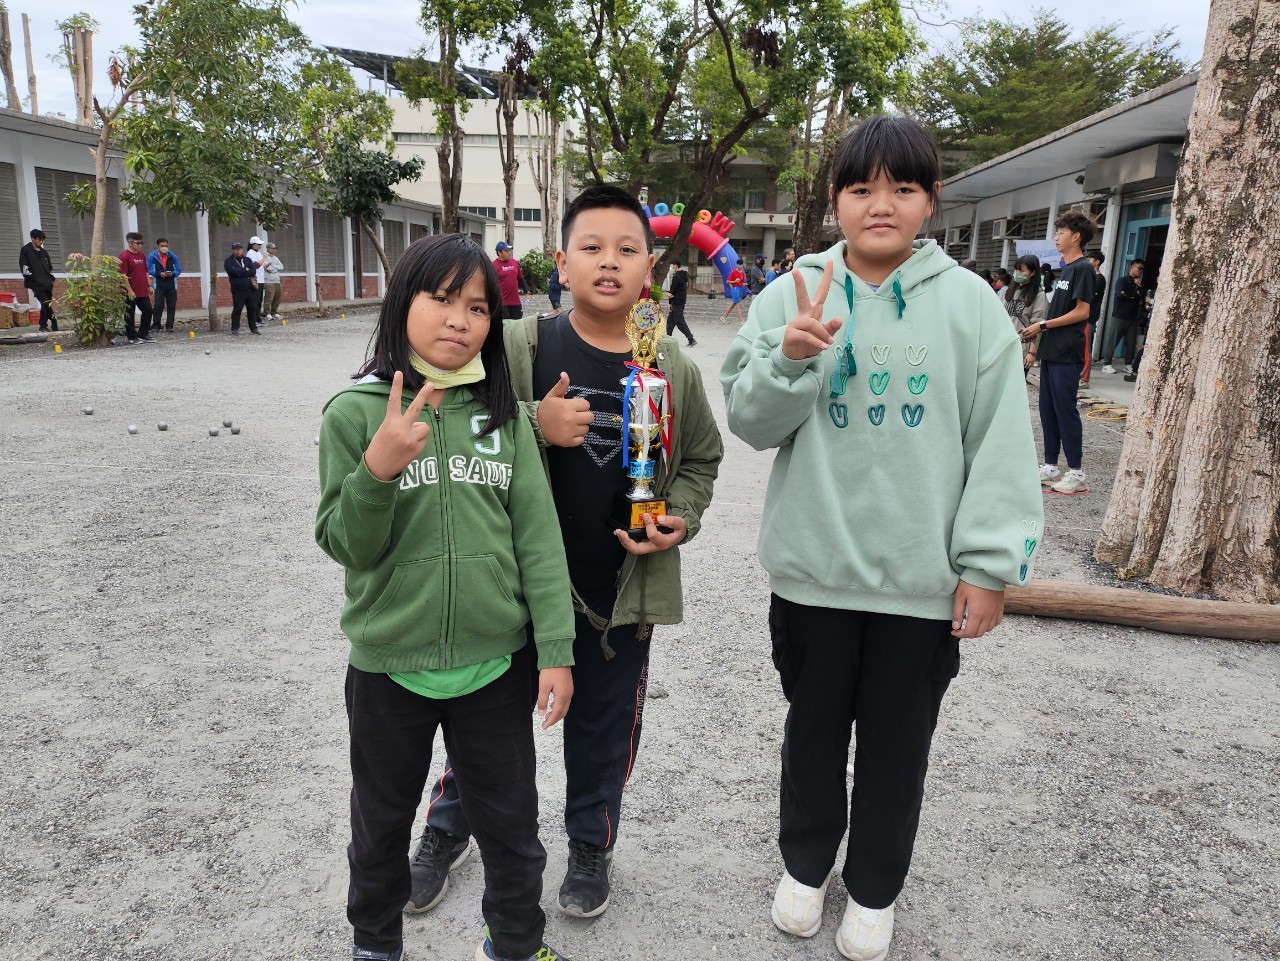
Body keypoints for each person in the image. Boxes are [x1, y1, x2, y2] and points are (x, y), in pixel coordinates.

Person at [720, 114, 1043, 961]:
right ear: (836, 199)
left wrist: (989, 566)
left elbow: (1000, 443)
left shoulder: (972, 306)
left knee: (899, 748)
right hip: (814, 572)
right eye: (861, 187)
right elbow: (749, 421)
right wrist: (790, 358)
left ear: (931, 201)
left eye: (903, 187)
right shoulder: (792, 292)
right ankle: (804, 866)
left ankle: (874, 888)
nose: (881, 204)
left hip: (919, 585)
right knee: (812, 732)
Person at [409, 185, 722, 923]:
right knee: (484, 723)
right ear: (562, 260)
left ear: (650, 267)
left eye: (627, 249)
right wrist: (531, 419)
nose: (609, 262)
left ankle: (590, 843)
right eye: (592, 247)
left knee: (604, 731)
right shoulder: (518, 346)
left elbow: (701, 460)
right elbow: (454, 422)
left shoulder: (670, 366)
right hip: (513, 590)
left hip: (619, 593)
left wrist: (679, 517)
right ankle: (448, 828)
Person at [316, 233, 576, 961]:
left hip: (494, 668)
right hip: (388, 667)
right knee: (380, 825)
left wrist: (555, 650)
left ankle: (515, 943)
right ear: (402, 302)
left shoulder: (504, 417)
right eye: (441, 298)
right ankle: (375, 943)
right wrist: (377, 471)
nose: (460, 319)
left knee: (511, 826)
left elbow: (538, 539)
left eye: (479, 307)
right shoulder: (353, 414)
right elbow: (345, 542)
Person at [1021, 211, 1095, 494]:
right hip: (1051, 351)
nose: (1056, 237)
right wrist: (1039, 338)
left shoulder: (1083, 268)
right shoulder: (1066, 269)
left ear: (1075, 236)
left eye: (1061, 232)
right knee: (1047, 410)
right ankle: (1051, 466)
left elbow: (1082, 312)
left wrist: (1043, 324)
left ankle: (1076, 473)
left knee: (1065, 411)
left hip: (1067, 352)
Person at [1002, 254, 1049, 378]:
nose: (1017, 273)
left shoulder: (1039, 296)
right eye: (1016, 270)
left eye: (1022, 271)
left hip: (1021, 349)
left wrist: (1032, 353)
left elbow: (1038, 326)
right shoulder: (1007, 292)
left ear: (1032, 272)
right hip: (1002, 347)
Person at [1105, 259, 1146, 374]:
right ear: (1132, 267)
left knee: (1131, 342)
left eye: (1142, 269)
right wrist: (1135, 295)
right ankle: (1107, 363)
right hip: (1120, 315)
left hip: (1133, 317)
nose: (1140, 271)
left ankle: (1128, 364)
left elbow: (1143, 296)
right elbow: (1121, 294)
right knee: (1113, 340)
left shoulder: (1139, 284)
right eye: (1139, 268)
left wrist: (1138, 289)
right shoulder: (1122, 281)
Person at [118, 232, 154, 344]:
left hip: (142, 290)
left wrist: (149, 285)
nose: (140, 245)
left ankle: (143, 333)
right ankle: (132, 337)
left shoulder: (141, 256)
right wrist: (129, 290)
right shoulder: (124, 256)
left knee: (148, 311)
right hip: (130, 291)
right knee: (130, 314)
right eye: (138, 243)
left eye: (141, 242)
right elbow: (123, 275)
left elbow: (145, 272)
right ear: (130, 243)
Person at [19, 228, 57, 332]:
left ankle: (43, 326)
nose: (41, 242)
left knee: (47, 304)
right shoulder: (26, 250)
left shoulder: (44, 252)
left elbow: (49, 266)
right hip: (35, 283)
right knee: (44, 303)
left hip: (47, 283)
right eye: (39, 240)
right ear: (33, 238)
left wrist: (49, 278)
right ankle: (54, 321)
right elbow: (24, 267)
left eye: (42, 240)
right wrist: (32, 278)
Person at [224, 241, 261, 335]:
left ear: (242, 250)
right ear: (232, 250)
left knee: (252, 308)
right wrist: (244, 269)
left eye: (239, 249)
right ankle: (235, 328)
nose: (238, 251)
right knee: (238, 308)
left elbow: (253, 271)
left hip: (250, 288)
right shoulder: (228, 261)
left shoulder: (247, 260)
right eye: (236, 249)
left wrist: (241, 273)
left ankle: (253, 328)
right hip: (238, 289)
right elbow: (232, 272)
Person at [146, 238, 182, 332]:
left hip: (171, 285)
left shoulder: (173, 256)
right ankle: (156, 325)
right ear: (158, 246)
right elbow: (147, 269)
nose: (164, 248)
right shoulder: (152, 256)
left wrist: (172, 274)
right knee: (158, 305)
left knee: (171, 306)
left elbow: (178, 270)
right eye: (162, 246)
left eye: (166, 245)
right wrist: (158, 274)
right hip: (159, 284)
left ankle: (169, 326)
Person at [1082, 251, 1106, 385]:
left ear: (1097, 262)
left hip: (1089, 317)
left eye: (1090, 259)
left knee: (1086, 348)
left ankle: (1084, 378)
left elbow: (1090, 297)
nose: (1088, 262)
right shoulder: (1090, 277)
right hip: (1082, 316)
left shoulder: (1099, 279)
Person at [493, 241, 529, 319]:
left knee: (517, 324)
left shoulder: (514, 262)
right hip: (501, 304)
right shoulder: (493, 266)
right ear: (499, 253)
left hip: (515, 303)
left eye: (509, 250)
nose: (509, 253)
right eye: (506, 251)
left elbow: (521, 278)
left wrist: (527, 292)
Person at [665, 258, 695, 346]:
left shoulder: (676, 277)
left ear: (675, 265)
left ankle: (691, 339)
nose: (671, 267)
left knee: (679, 321)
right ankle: (668, 339)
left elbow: (672, 292)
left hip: (676, 302)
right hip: (680, 301)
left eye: (672, 265)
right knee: (670, 322)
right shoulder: (683, 275)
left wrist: (670, 303)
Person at [261, 242, 284, 321]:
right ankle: (267, 313)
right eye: (273, 248)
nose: (274, 250)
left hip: (277, 280)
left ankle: (274, 312)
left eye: (275, 249)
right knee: (269, 298)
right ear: (268, 248)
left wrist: (273, 266)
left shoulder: (276, 258)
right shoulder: (264, 256)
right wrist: (275, 268)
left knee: (277, 298)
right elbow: (268, 268)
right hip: (269, 281)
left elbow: (281, 267)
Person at [721, 258, 747, 324]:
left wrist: (744, 284)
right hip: (735, 289)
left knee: (733, 304)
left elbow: (741, 282)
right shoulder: (733, 272)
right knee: (739, 304)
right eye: (739, 265)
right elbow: (727, 281)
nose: (740, 266)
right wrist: (734, 281)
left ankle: (723, 317)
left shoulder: (742, 273)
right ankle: (741, 321)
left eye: (741, 265)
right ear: (737, 265)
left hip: (739, 289)